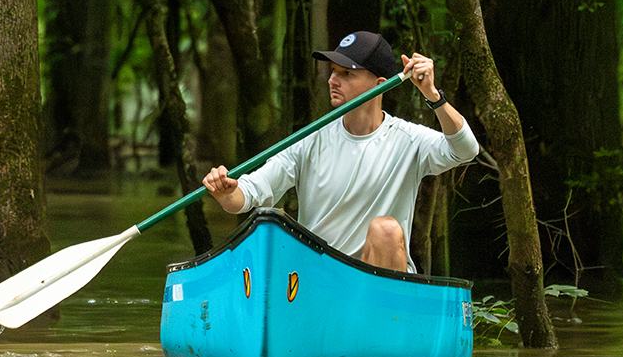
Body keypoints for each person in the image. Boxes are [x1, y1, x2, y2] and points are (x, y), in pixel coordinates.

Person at [201, 31, 479, 272]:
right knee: (273, 231)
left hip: (377, 281)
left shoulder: (407, 139)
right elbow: (249, 192)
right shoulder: (310, 140)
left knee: (386, 231)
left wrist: (433, 96)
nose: (333, 80)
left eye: (347, 73)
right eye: (333, 71)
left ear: (380, 84)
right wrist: (226, 193)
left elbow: (466, 150)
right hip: (319, 280)